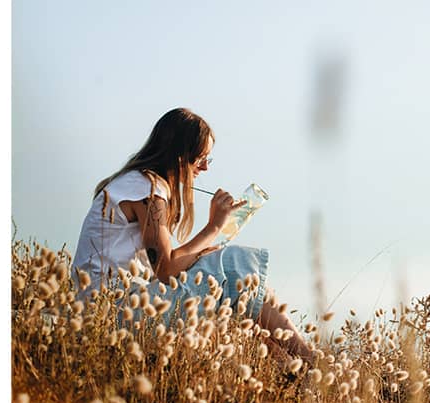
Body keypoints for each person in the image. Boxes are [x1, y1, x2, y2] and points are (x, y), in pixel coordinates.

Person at [72, 107, 310, 361]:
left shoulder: (135, 184)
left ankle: (290, 372)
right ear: (178, 155)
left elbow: (165, 267)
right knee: (236, 269)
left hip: (111, 309)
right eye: (201, 158)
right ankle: (310, 361)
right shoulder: (146, 189)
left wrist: (206, 251)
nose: (205, 168)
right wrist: (214, 227)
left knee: (232, 290)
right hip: (114, 314)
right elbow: (166, 268)